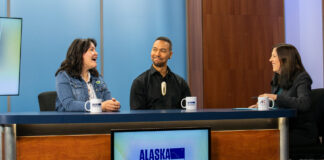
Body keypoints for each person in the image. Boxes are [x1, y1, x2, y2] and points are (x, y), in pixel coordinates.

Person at [250, 43, 319, 148]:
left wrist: (275, 97)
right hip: (283, 128)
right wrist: (264, 104)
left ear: (284, 59)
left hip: (300, 133)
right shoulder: (277, 78)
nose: (270, 60)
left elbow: (304, 103)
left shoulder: (302, 78)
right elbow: (279, 105)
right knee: (255, 136)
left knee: (263, 140)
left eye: (273, 56)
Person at [55, 38, 120, 112]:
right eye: (91, 50)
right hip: (74, 122)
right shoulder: (64, 76)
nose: (96, 53)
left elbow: (107, 100)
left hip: (99, 121)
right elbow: (69, 105)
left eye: (95, 50)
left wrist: (114, 104)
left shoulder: (97, 78)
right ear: (79, 54)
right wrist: (99, 106)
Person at [130, 36, 191, 109]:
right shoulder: (139, 83)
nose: (157, 54)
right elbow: (137, 117)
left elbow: (188, 113)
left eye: (163, 50)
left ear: (170, 55)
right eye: (154, 49)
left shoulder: (181, 83)